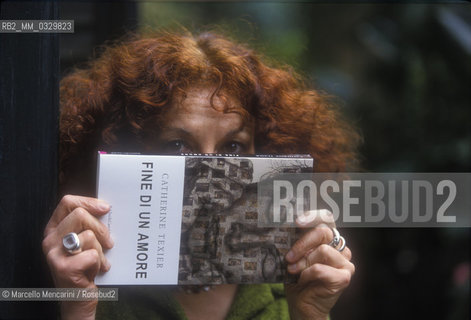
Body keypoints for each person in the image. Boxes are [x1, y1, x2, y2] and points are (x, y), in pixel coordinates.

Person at [42, 30, 360, 320]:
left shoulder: (292, 284)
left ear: (263, 153)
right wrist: (78, 311)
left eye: (233, 147)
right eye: (178, 145)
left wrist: (309, 313)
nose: (211, 177)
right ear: (132, 154)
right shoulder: (88, 279)